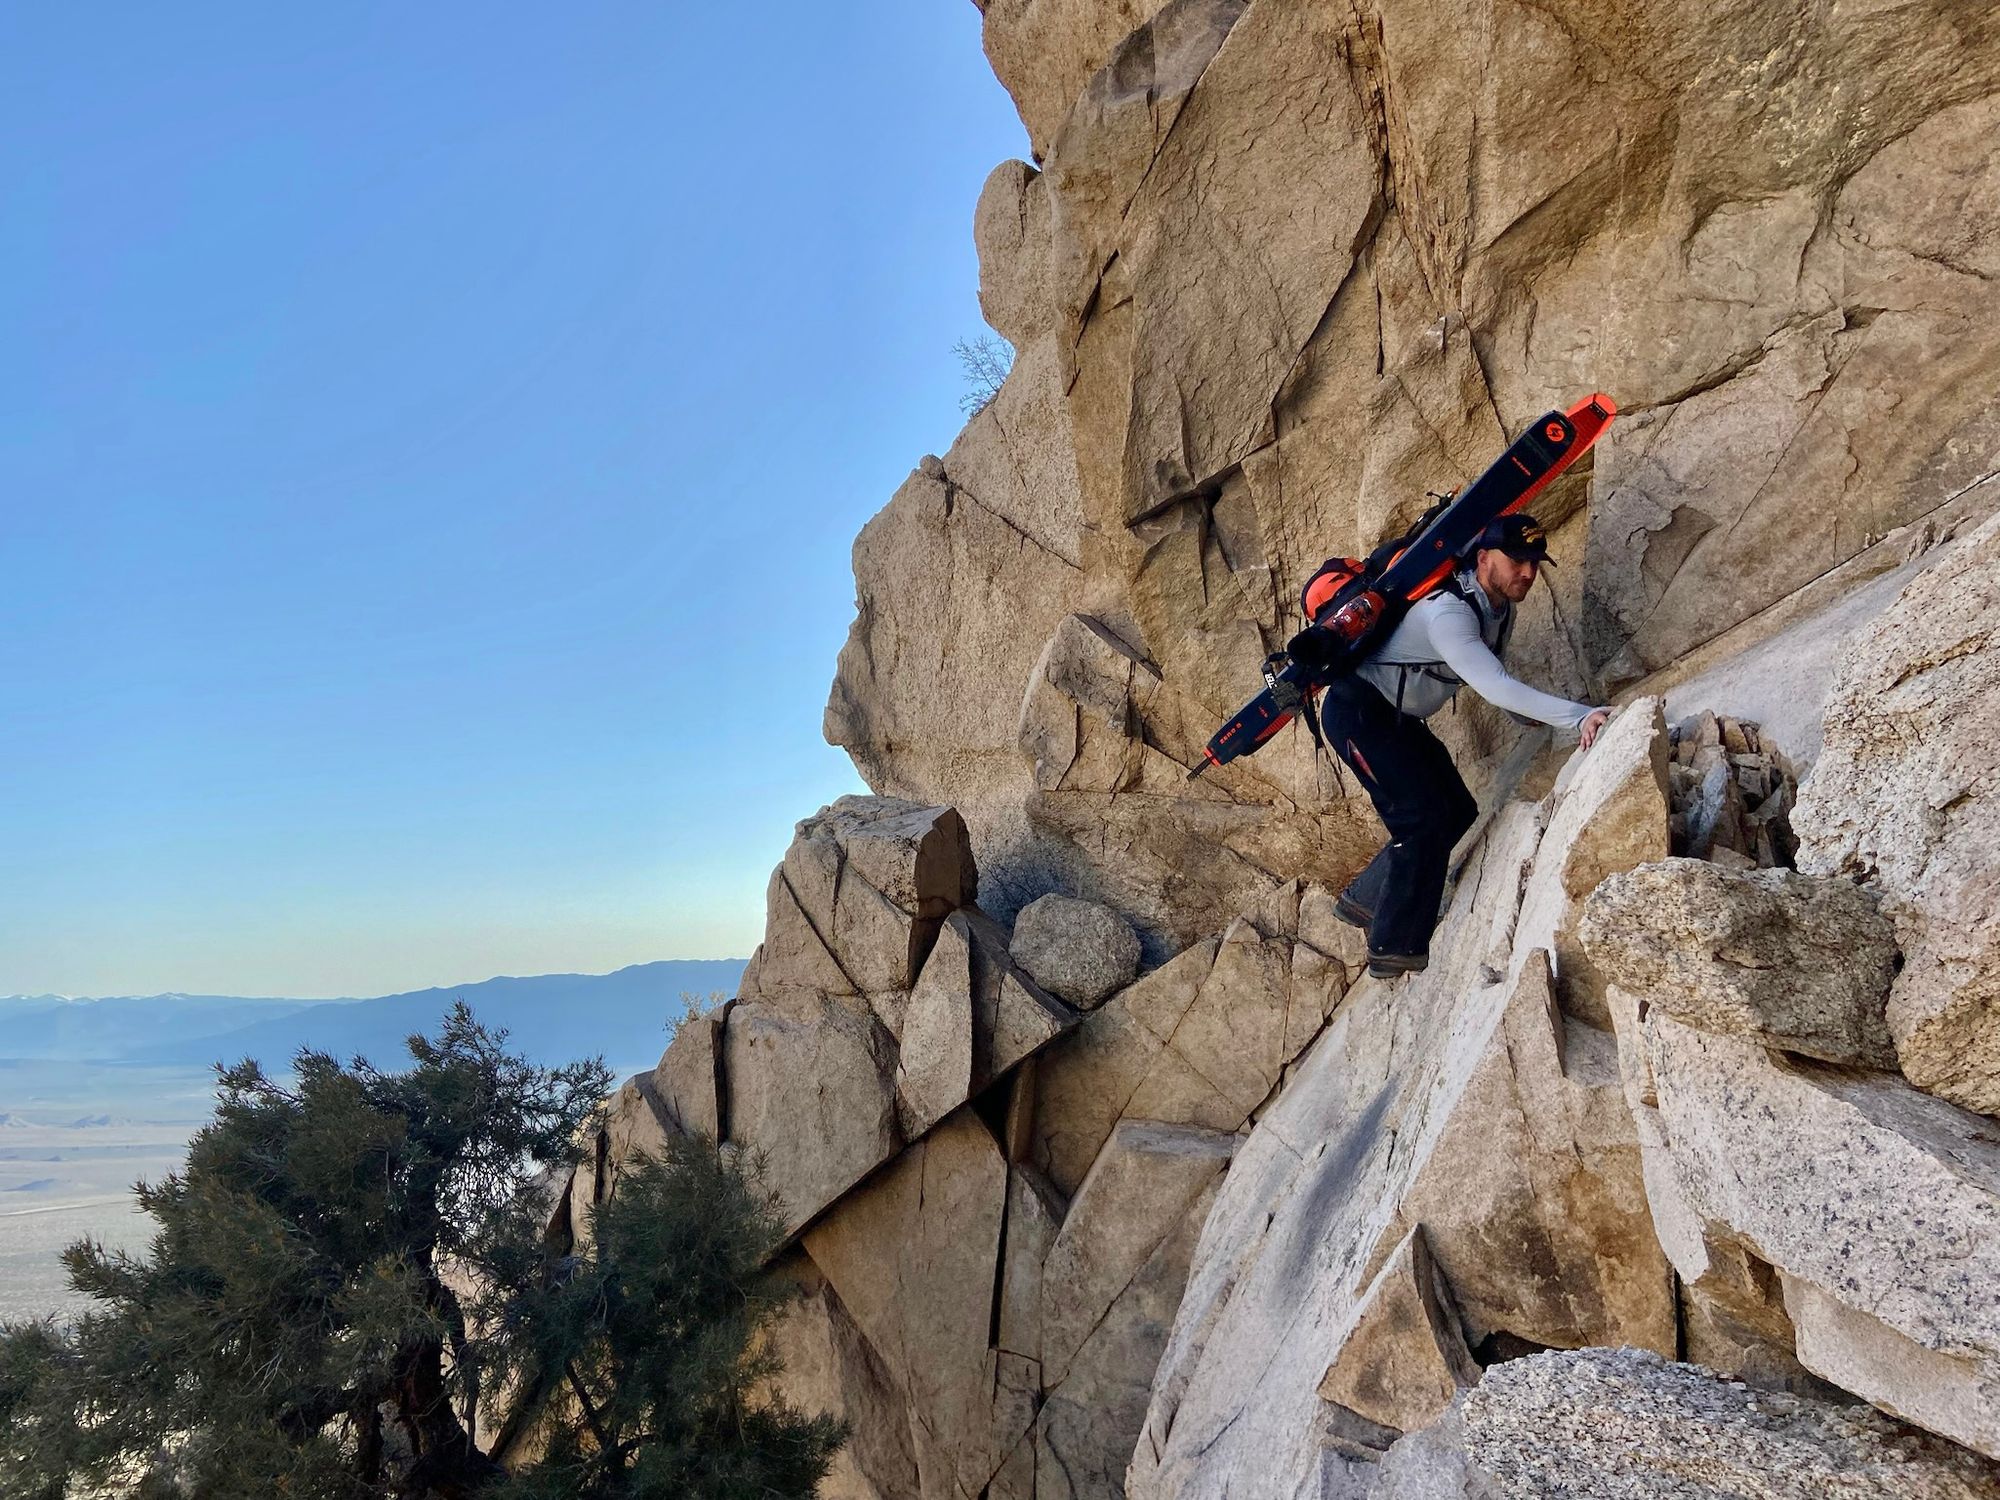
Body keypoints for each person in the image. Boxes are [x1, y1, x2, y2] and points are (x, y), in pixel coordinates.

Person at [1320, 513, 1609, 979]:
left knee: (1455, 809)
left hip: (1395, 720)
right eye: (1516, 560)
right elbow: (1495, 686)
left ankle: (1366, 901)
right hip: (1359, 716)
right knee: (1421, 819)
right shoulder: (1447, 613)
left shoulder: (1497, 611)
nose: (1528, 573)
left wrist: (1550, 720)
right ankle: (1394, 949)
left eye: (1535, 562)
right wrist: (1578, 717)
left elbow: (1496, 680)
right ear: (1482, 558)